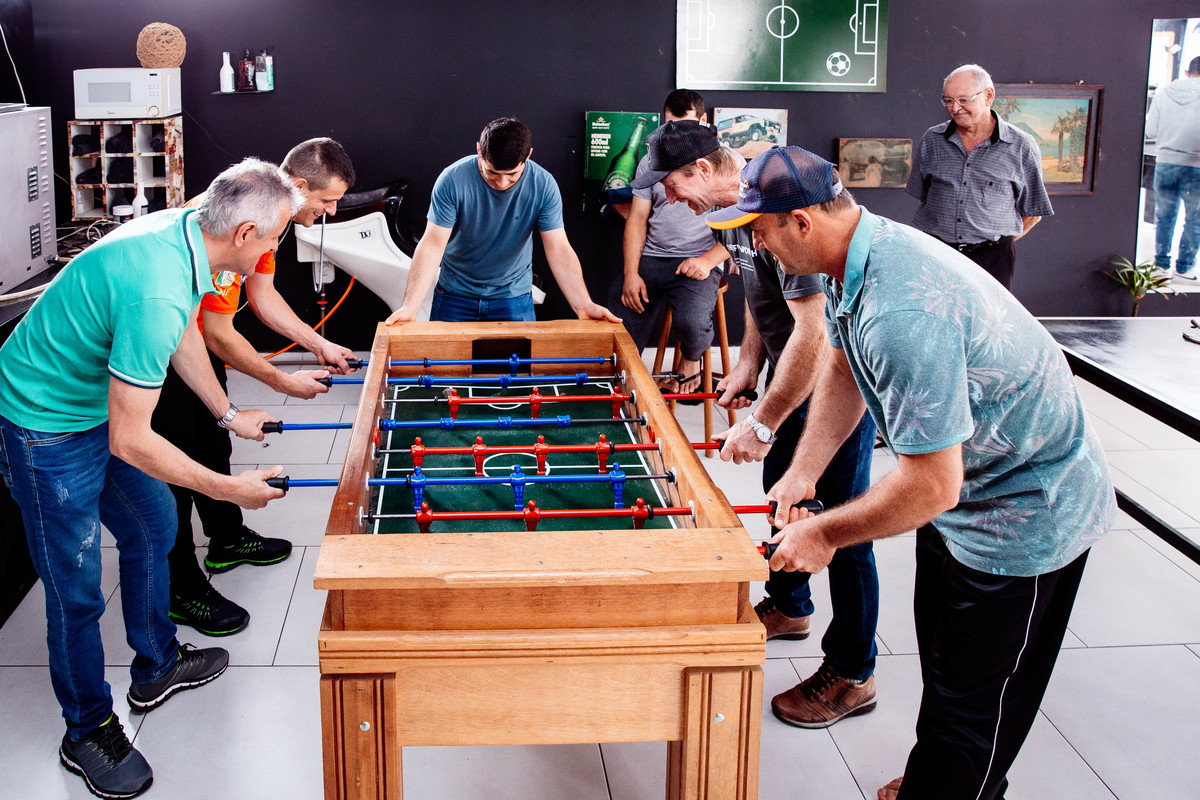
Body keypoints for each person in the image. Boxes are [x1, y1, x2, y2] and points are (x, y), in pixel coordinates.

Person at [708, 146, 1115, 800]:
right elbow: (841, 364)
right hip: (970, 495)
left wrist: (824, 533)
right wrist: (804, 471)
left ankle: (955, 783)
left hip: (1028, 509)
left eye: (760, 232)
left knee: (975, 703)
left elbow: (931, 485)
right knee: (950, 673)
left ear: (802, 223)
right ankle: (943, 778)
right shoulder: (853, 257)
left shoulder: (901, 312)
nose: (758, 246)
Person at [0, 158, 298, 799]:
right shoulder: (157, 286)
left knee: (156, 523)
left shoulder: (189, 233)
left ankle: (157, 664)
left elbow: (182, 336)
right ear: (244, 233)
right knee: (76, 590)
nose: (274, 251)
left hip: (91, 409)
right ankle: (87, 730)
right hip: (43, 425)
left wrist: (227, 414)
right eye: (274, 238)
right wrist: (231, 489)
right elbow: (131, 438)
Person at [636, 121, 880, 727]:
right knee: (782, 495)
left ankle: (854, 673)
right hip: (791, 377)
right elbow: (756, 291)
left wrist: (764, 422)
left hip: (835, 388)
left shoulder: (780, 207)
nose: (670, 200)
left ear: (702, 170)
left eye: (672, 186)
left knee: (840, 528)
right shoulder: (734, 217)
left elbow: (815, 334)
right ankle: (790, 604)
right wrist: (749, 363)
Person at [150, 138, 359, 637]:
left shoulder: (272, 220)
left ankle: (225, 539)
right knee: (175, 474)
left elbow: (263, 297)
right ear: (300, 186)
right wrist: (282, 380)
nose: (331, 212)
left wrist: (319, 344)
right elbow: (218, 332)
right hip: (160, 355)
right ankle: (182, 590)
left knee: (212, 445)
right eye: (327, 200)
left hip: (192, 344)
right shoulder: (242, 221)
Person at [384, 117, 618, 324]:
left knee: (515, 363)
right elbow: (433, 243)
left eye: (512, 175)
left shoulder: (544, 185)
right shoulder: (452, 180)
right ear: (479, 150)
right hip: (455, 296)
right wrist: (410, 308)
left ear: (528, 155)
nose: (502, 183)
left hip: (513, 298)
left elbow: (558, 248)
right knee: (446, 363)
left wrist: (583, 305)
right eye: (492, 173)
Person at [611, 91, 730, 394]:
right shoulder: (652, 162)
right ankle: (622, 389)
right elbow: (637, 219)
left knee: (691, 323)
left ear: (703, 121)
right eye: (669, 125)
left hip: (699, 258)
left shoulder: (725, 165)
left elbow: (741, 229)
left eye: (685, 125)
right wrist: (631, 273)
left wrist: (707, 261)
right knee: (618, 319)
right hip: (653, 256)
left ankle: (691, 359)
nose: (675, 134)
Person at [906, 64, 1053, 290]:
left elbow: (1032, 213)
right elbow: (925, 196)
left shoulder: (1021, 146)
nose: (955, 108)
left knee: (988, 314)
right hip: (936, 253)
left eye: (964, 100)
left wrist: (994, 242)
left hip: (993, 259)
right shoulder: (932, 139)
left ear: (989, 96)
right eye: (948, 100)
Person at [1146, 55, 1200, 282]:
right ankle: (1184, 269)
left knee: (1165, 216)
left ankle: (1160, 266)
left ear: (1187, 72)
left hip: (1165, 162)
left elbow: (1150, 131)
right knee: (1195, 219)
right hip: (1196, 165)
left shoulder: (1164, 93)